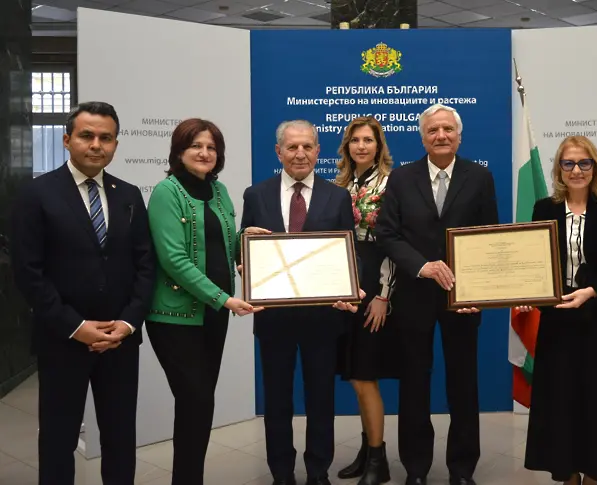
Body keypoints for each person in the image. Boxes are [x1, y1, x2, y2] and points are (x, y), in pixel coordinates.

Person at [10, 101, 155, 485]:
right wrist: (76, 327)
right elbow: (28, 273)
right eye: (86, 136)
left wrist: (128, 322)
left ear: (115, 144)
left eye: (106, 138)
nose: (96, 145)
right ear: (66, 140)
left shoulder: (128, 195)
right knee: (58, 439)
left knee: (120, 436)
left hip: (119, 340)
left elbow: (145, 265)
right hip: (63, 339)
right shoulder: (37, 194)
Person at [375, 104, 498, 485]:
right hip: (414, 296)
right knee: (414, 383)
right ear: (422, 137)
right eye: (433, 130)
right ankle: (416, 469)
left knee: (464, 384)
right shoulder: (401, 178)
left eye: (447, 129)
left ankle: (462, 469)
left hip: (463, 297)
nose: (441, 135)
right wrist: (422, 266)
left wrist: (480, 290)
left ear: (459, 135)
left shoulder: (480, 177)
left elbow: (489, 236)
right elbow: (387, 233)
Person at [240, 119, 361, 485]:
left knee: (321, 399)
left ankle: (318, 470)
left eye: (307, 146)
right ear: (278, 152)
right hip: (273, 317)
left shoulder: (337, 196)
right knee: (277, 401)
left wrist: (350, 287)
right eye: (292, 147)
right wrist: (243, 257)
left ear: (318, 151)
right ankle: (281, 472)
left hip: (322, 319)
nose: (300, 154)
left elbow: (349, 253)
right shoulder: (256, 195)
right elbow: (242, 247)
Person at [144, 118, 261, 484]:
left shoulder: (219, 190)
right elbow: (174, 259)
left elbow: (221, 245)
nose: (204, 153)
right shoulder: (166, 192)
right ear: (179, 151)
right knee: (194, 399)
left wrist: (246, 237)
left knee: (201, 402)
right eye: (195, 145)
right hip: (175, 317)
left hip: (213, 314)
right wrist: (223, 299)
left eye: (211, 147)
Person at [519, 136, 597, 485]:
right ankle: (567, 472)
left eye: (584, 163)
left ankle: (594, 474)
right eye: (568, 163)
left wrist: (592, 291)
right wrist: (526, 290)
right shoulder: (544, 208)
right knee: (561, 399)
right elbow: (533, 257)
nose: (576, 170)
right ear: (559, 169)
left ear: (594, 167)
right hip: (557, 319)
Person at [334, 116, 397, 485]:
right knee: (355, 374)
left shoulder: (392, 184)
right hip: (345, 285)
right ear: (347, 146)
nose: (361, 146)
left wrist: (383, 295)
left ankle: (378, 460)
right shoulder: (339, 186)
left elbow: (395, 242)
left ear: (378, 146)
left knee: (365, 374)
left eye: (368, 140)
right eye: (355, 140)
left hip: (376, 283)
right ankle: (367, 450)